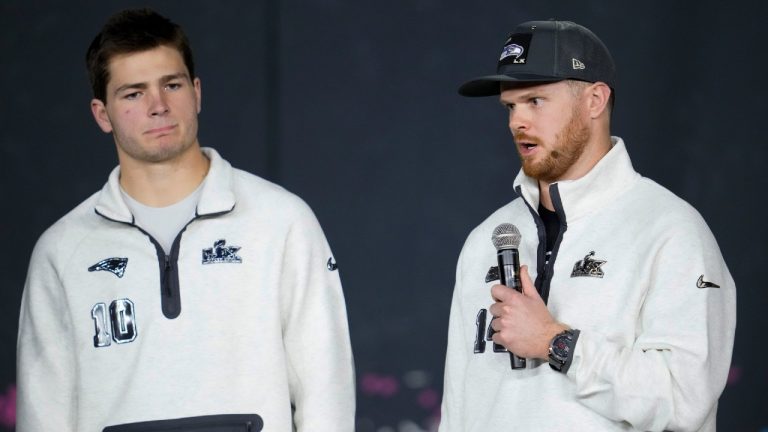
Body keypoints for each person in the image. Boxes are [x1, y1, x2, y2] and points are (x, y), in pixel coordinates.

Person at [16, 8, 355, 431]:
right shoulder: (62, 250)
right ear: (102, 114)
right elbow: (44, 411)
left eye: (171, 85)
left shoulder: (281, 221)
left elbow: (326, 390)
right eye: (133, 93)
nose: (158, 106)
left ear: (196, 92)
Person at [439, 20, 736, 431]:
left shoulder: (671, 230)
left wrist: (554, 342)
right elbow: (459, 407)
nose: (516, 122)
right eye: (510, 106)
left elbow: (685, 401)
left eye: (536, 101)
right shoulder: (485, 240)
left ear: (595, 100)